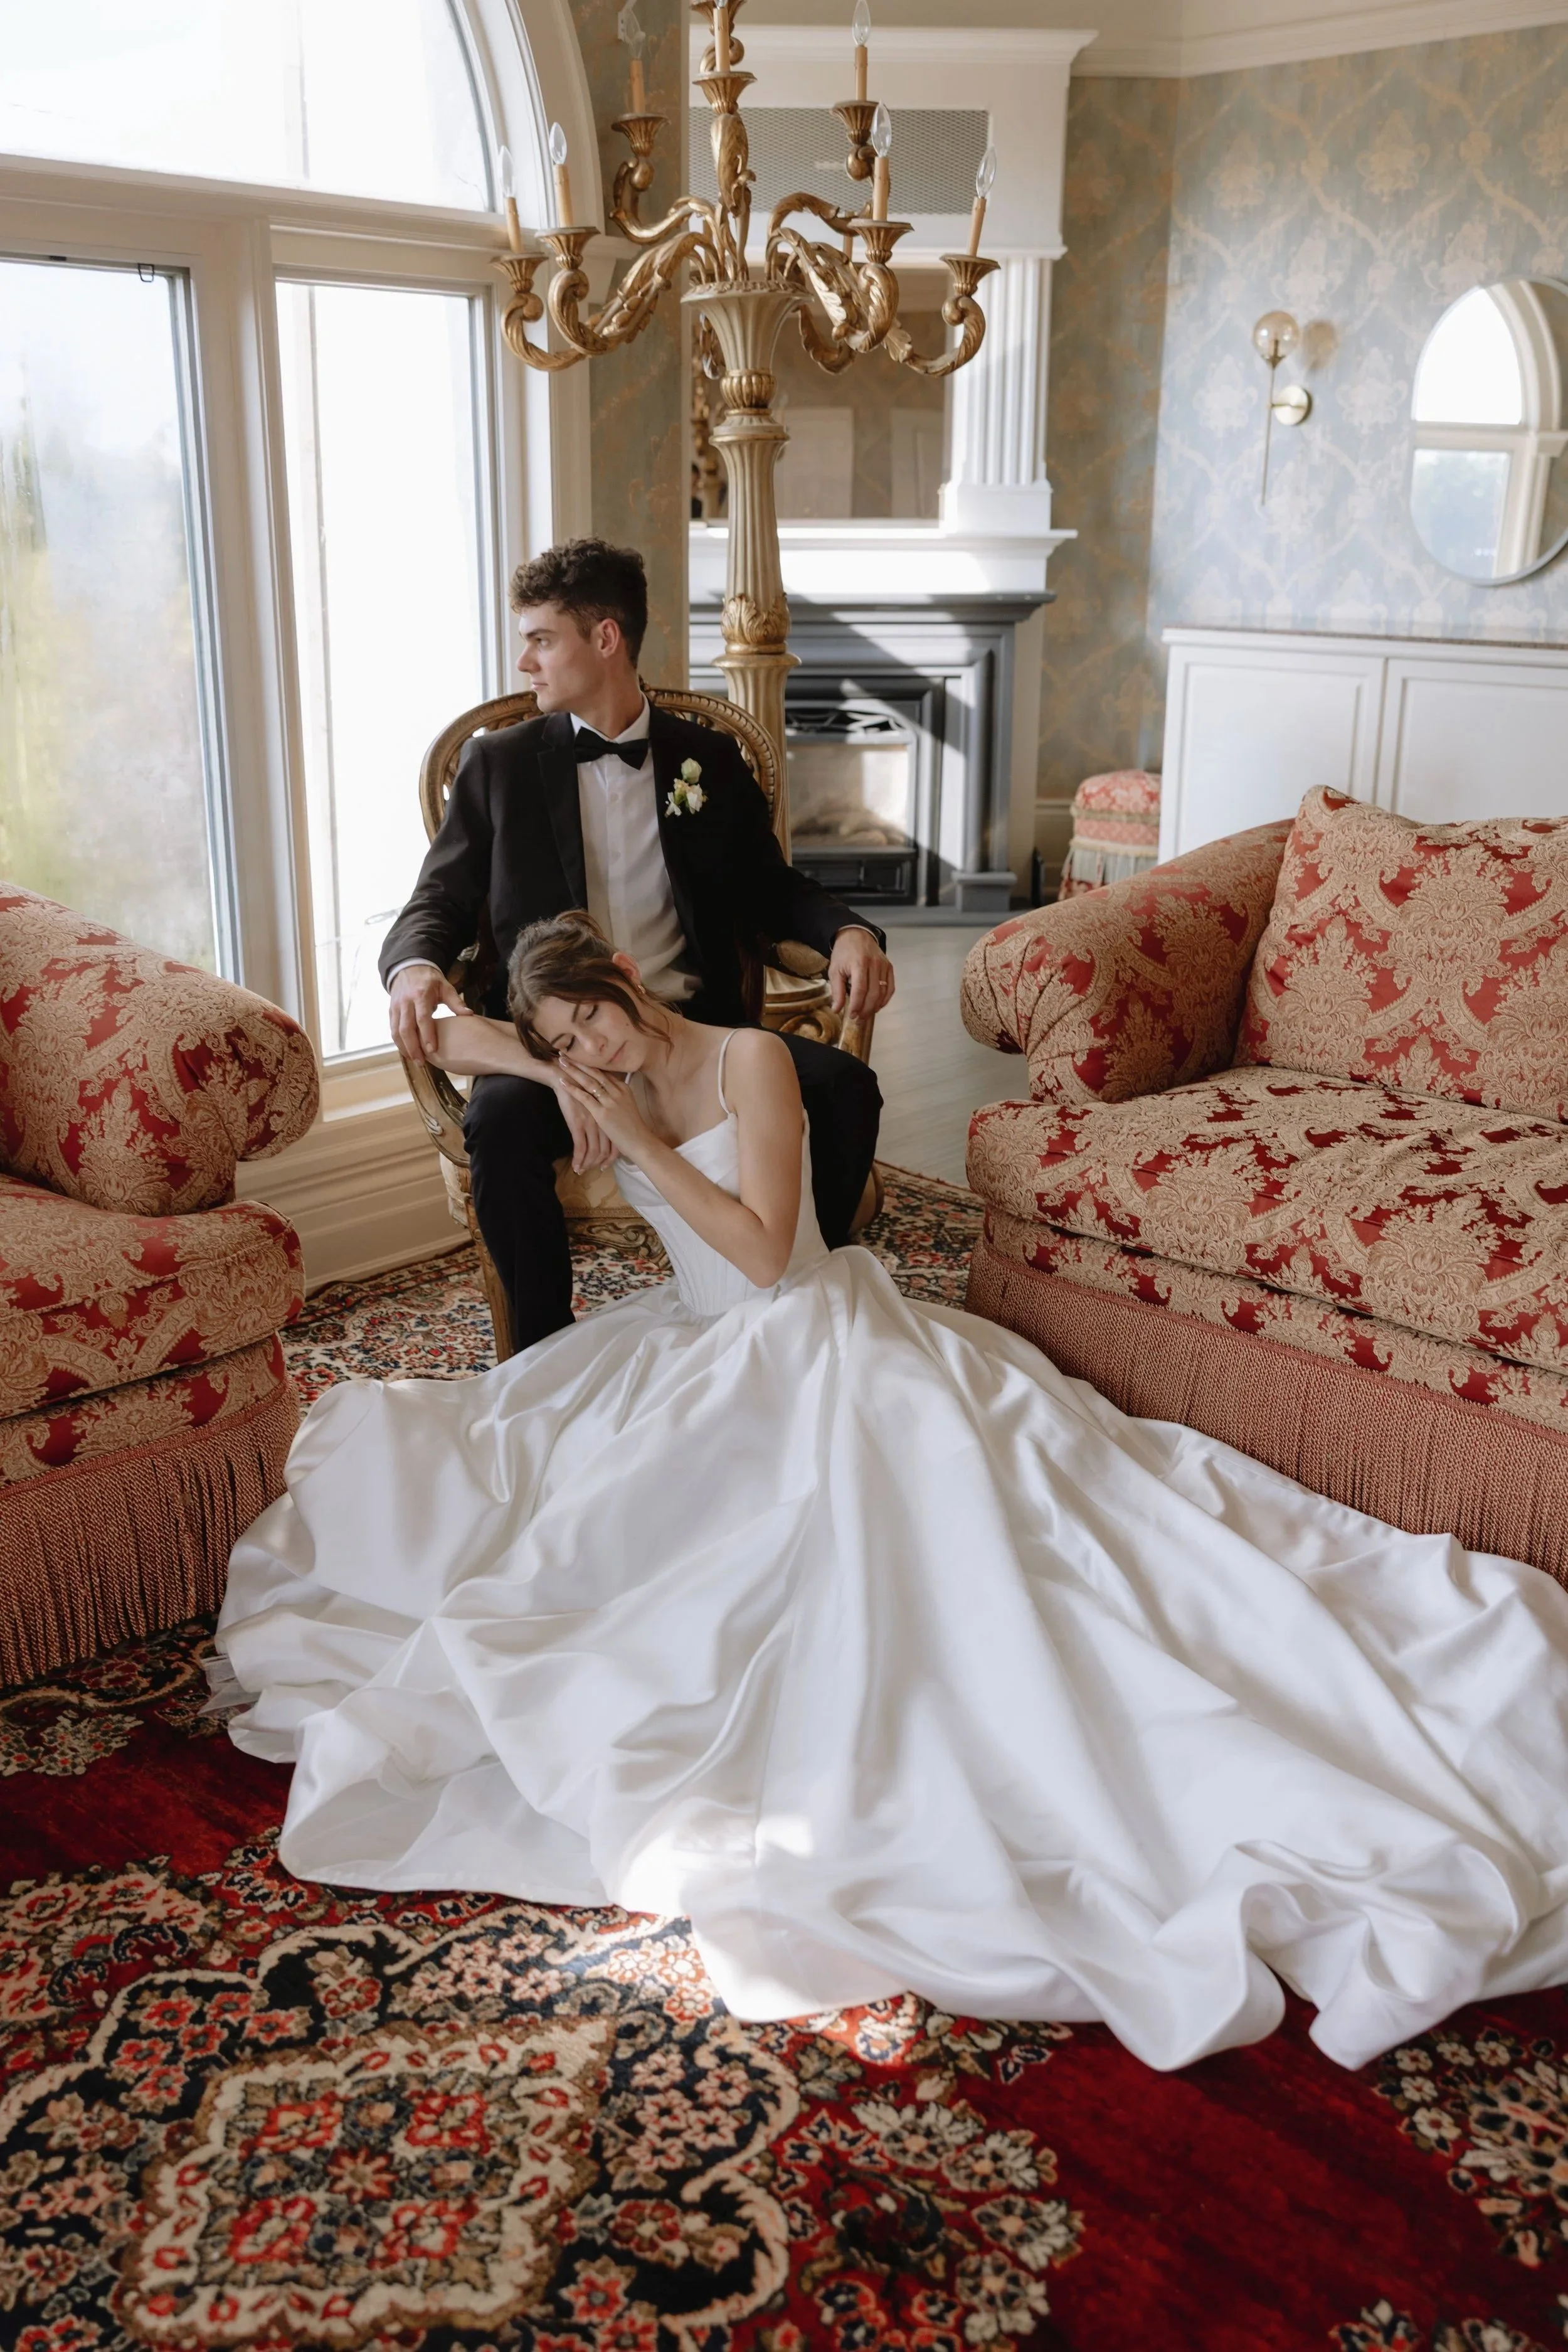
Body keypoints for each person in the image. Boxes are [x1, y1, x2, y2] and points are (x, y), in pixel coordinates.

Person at [216, 911, 1568, 2078]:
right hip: (690, 1353)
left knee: (933, 1559)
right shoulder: (574, 1053)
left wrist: (630, 1127)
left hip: (806, 1329)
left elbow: (755, 1252)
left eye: (599, 1025)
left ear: (631, 982)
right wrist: (453, 1013)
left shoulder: (745, 1058)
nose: (595, 1057)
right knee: (537, 1527)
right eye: (571, 1043)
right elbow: (451, 1043)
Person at [379, 535, 893, 1351]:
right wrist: (414, 967)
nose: (525, 662)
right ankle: (541, 1354)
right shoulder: (497, 770)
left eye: (542, 639)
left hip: (693, 1041)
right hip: (561, 1041)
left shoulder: (708, 762)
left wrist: (849, 932)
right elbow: (435, 901)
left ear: (606, 638)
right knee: (503, 1122)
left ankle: (803, 1303)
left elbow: (770, 888)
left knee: (844, 1088)